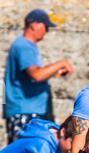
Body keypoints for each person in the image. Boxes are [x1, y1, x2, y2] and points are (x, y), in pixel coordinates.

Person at [4, 9, 73, 143]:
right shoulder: (24, 46)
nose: (47, 30)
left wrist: (54, 72)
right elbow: (37, 75)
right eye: (45, 26)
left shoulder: (27, 46)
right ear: (34, 24)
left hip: (28, 111)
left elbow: (36, 75)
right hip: (24, 112)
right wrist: (61, 63)